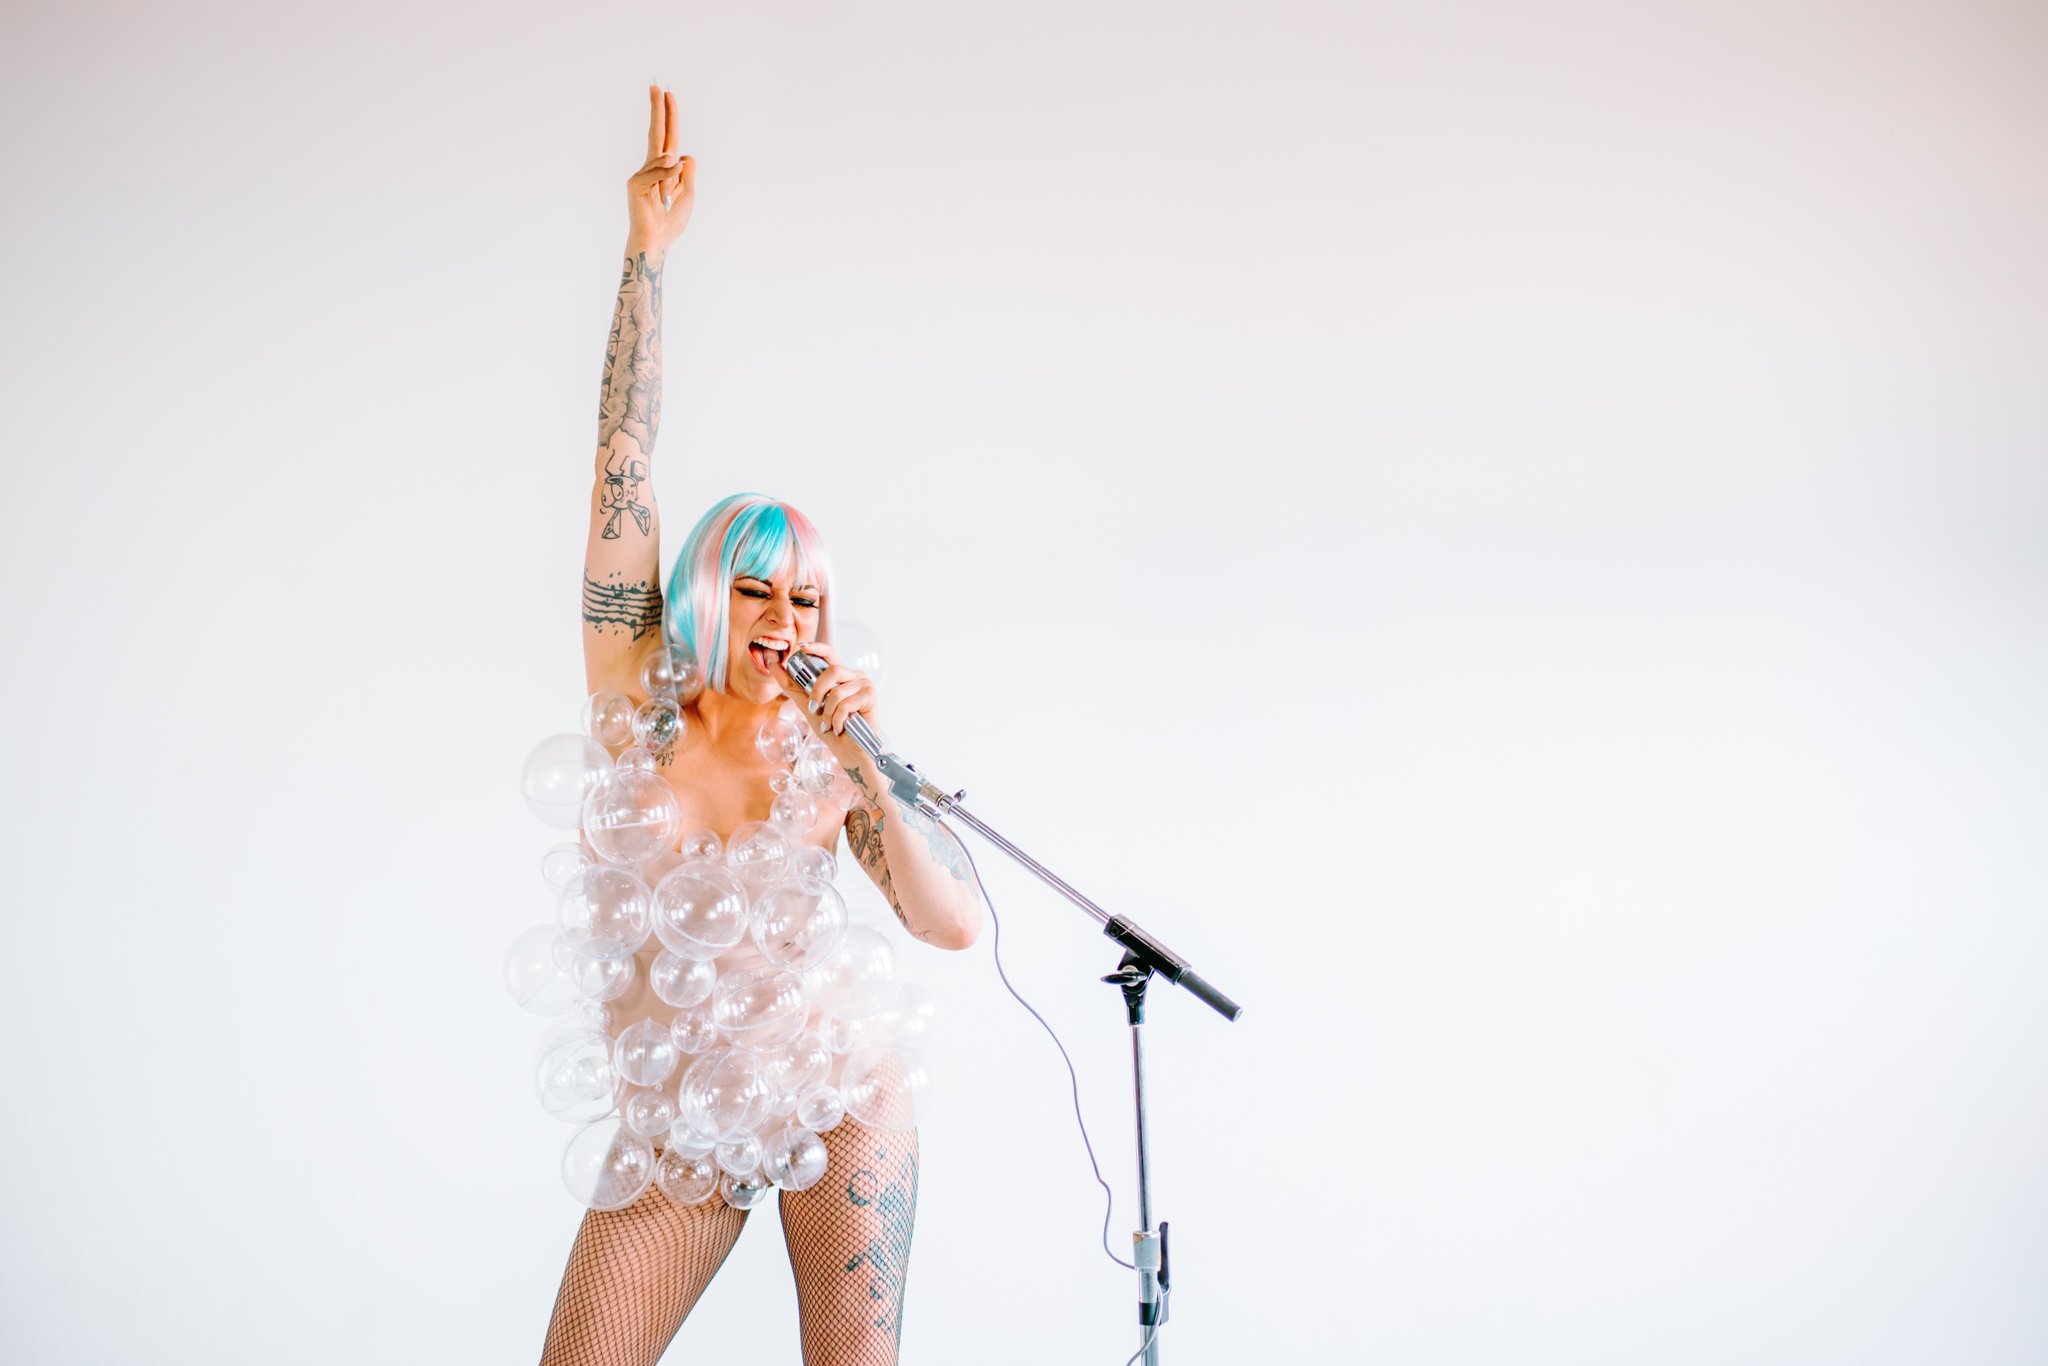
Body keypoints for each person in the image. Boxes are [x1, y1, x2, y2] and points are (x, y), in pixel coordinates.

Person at [538, 84, 982, 1366]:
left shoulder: (828, 754)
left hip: (836, 1090)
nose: (784, 618)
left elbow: (951, 926)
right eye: (754, 589)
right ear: (698, 593)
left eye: (806, 598)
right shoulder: (633, 691)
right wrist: (646, 255)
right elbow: (620, 460)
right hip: (680, 1118)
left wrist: (865, 767)